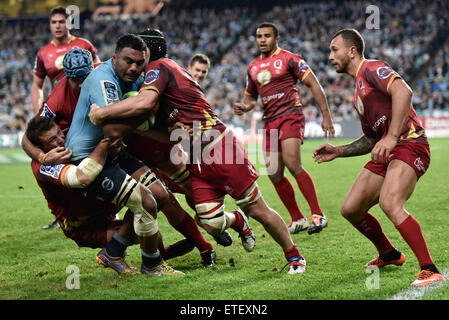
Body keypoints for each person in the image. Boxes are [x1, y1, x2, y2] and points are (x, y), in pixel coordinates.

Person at [89, 28, 307, 274]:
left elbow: (146, 102)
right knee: (211, 222)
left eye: (141, 53)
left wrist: (102, 112)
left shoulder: (158, 68)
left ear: (148, 51)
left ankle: (295, 257)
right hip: (195, 158)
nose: (137, 62)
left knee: (258, 209)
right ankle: (237, 221)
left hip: (220, 149)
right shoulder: (161, 72)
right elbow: (160, 122)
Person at [313, 28, 445, 287]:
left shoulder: (371, 68)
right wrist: (338, 151)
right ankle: (389, 254)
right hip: (388, 149)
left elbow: (404, 91)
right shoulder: (358, 93)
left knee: (390, 203)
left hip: (409, 143)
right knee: (351, 209)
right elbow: (372, 139)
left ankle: (430, 269)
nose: (330, 56)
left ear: (352, 51)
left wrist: (393, 136)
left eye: (334, 49)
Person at [65, 34, 184, 276]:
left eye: (139, 63)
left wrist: (172, 130)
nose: (133, 68)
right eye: (128, 61)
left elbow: (137, 122)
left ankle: (113, 251)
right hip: (88, 159)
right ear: (114, 57)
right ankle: (152, 265)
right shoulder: (103, 79)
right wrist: (146, 107)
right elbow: (111, 129)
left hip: (112, 151)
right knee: (147, 202)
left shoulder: (133, 79)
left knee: (160, 195)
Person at [25, 116, 189, 275]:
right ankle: (123, 255)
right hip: (85, 225)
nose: (60, 140)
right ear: (40, 148)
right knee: (147, 228)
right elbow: (82, 177)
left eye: (59, 133)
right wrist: (105, 143)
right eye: (52, 140)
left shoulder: (72, 138)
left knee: (150, 212)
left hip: (103, 208)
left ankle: (145, 255)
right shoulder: (43, 167)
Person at [234, 22, 335, 235]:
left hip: (291, 114)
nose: (262, 40)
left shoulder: (290, 59)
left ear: (276, 39)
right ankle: (297, 218)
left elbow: (314, 85)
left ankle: (317, 214)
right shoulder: (252, 66)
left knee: (292, 162)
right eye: (259, 36)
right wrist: (245, 106)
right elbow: (250, 97)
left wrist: (326, 115)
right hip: (270, 120)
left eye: (267, 36)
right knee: (273, 172)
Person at [32, 6, 100, 115]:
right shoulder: (43, 53)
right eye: (54, 22)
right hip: (61, 108)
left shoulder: (84, 45)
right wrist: (37, 113)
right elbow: (37, 86)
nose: (57, 26)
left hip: (87, 103)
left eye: (61, 22)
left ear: (69, 23)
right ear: (50, 25)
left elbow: (99, 71)